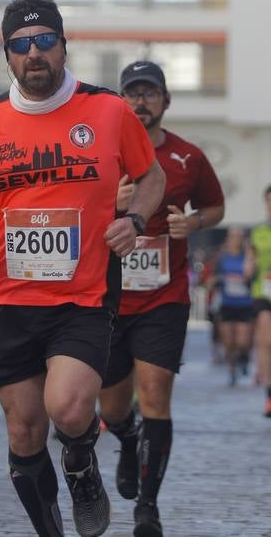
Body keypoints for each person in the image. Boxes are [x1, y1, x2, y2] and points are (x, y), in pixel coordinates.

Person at [0, 0, 165, 537]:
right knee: (24, 431)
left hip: (82, 296)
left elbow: (150, 177)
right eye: (20, 44)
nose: (33, 53)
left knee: (69, 406)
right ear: (7, 55)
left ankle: (82, 464)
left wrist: (133, 218)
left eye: (44, 41)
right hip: (8, 299)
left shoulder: (108, 111)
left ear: (63, 44)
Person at [99, 61, 224, 537]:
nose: (141, 102)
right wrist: (111, 203)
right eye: (132, 93)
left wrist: (190, 224)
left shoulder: (188, 158)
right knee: (111, 410)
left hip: (163, 298)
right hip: (110, 298)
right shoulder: (104, 157)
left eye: (150, 93)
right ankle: (127, 443)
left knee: (155, 396)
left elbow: (215, 206)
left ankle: (147, 507)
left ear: (165, 102)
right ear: (120, 102)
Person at [213, 227, 255, 385]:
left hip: (244, 304)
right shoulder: (222, 258)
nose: (237, 239)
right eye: (234, 236)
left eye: (240, 236)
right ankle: (232, 371)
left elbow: (252, 275)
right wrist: (219, 280)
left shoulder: (248, 256)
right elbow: (213, 278)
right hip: (226, 304)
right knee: (229, 342)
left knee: (243, 342)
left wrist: (250, 258)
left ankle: (244, 357)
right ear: (228, 239)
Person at [250, 184, 271, 416]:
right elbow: (251, 259)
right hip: (263, 291)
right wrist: (249, 266)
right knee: (266, 340)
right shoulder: (258, 232)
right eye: (269, 200)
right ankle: (269, 395)